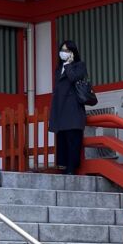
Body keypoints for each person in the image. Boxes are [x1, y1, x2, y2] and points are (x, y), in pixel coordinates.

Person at [50, 38, 89, 174]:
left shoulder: (79, 65)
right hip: (60, 108)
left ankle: (72, 168)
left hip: (73, 108)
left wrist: (68, 64)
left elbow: (73, 78)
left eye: (66, 50)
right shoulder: (58, 69)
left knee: (73, 138)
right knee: (62, 138)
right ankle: (63, 166)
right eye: (62, 50)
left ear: (73, 52)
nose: (63, 52)